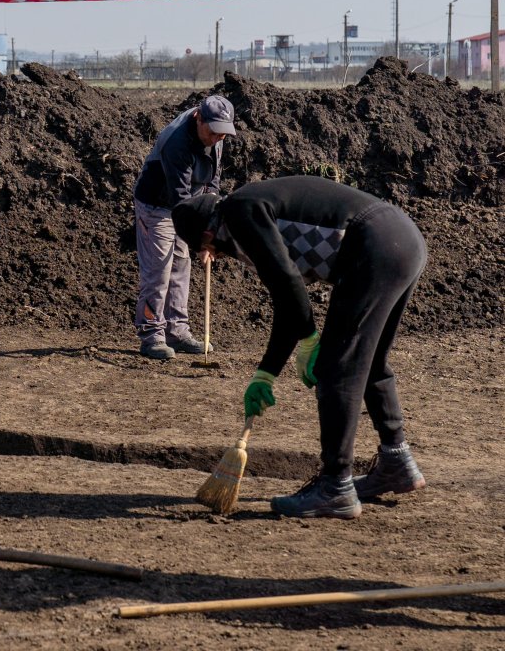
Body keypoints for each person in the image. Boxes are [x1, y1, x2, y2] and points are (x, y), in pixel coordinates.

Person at [172, 176, 427, 519]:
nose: (216, 255)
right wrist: (266, 373)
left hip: (372, 246)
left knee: (338, 368)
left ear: (205, 235)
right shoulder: (251, 209)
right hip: (401, 238)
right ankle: (397, 462)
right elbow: (286, 296)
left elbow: (289, 283)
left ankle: (335, 486)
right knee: (369, 361)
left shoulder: (238, 212)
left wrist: (309, 341)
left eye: (208, 249)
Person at [132, 95, 236, 359]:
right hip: (158, 205)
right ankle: (152, 334)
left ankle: (176, 332)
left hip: (185, 202)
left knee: (180, 266)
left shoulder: (216, 135)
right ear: (198, 119)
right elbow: (180, 203)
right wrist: (200, 242)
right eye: (212, 133)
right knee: (159, 269)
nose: (216, 139)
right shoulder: (176, 142)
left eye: (222, 135)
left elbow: (212, 183)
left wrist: (209, 229)